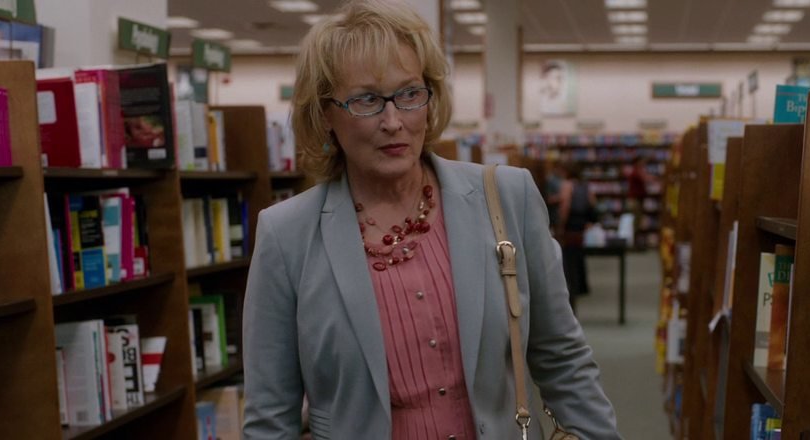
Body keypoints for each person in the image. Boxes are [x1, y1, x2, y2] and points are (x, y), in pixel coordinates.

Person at [242, 1, 621, 439]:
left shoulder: (507, 197)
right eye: (367, 100)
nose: (393, 121)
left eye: (409, 94)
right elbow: (271, 417)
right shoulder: (287, 235)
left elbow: (562, 359)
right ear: (326, 113)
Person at [555, 162, 597, 310]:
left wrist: (561, 225)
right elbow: (592, 204)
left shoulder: (567, 185)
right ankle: (581, 286)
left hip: (571, 227)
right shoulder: (585, 186)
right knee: (579, 256)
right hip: (581, 227)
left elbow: (565, 206)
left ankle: (572, 289)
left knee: (569, 260)